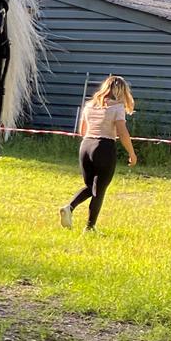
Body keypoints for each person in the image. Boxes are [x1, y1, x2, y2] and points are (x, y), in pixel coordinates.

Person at [59, 74, 137, 231]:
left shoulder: (89, 105)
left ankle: (70, 207)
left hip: (86, 145)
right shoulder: (117, 107)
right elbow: (122, 132)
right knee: (99, 189)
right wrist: (132, 153)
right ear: (122, 91)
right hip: (104, 147)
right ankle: (90, 227)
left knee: (90, 187)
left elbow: (82, 130)